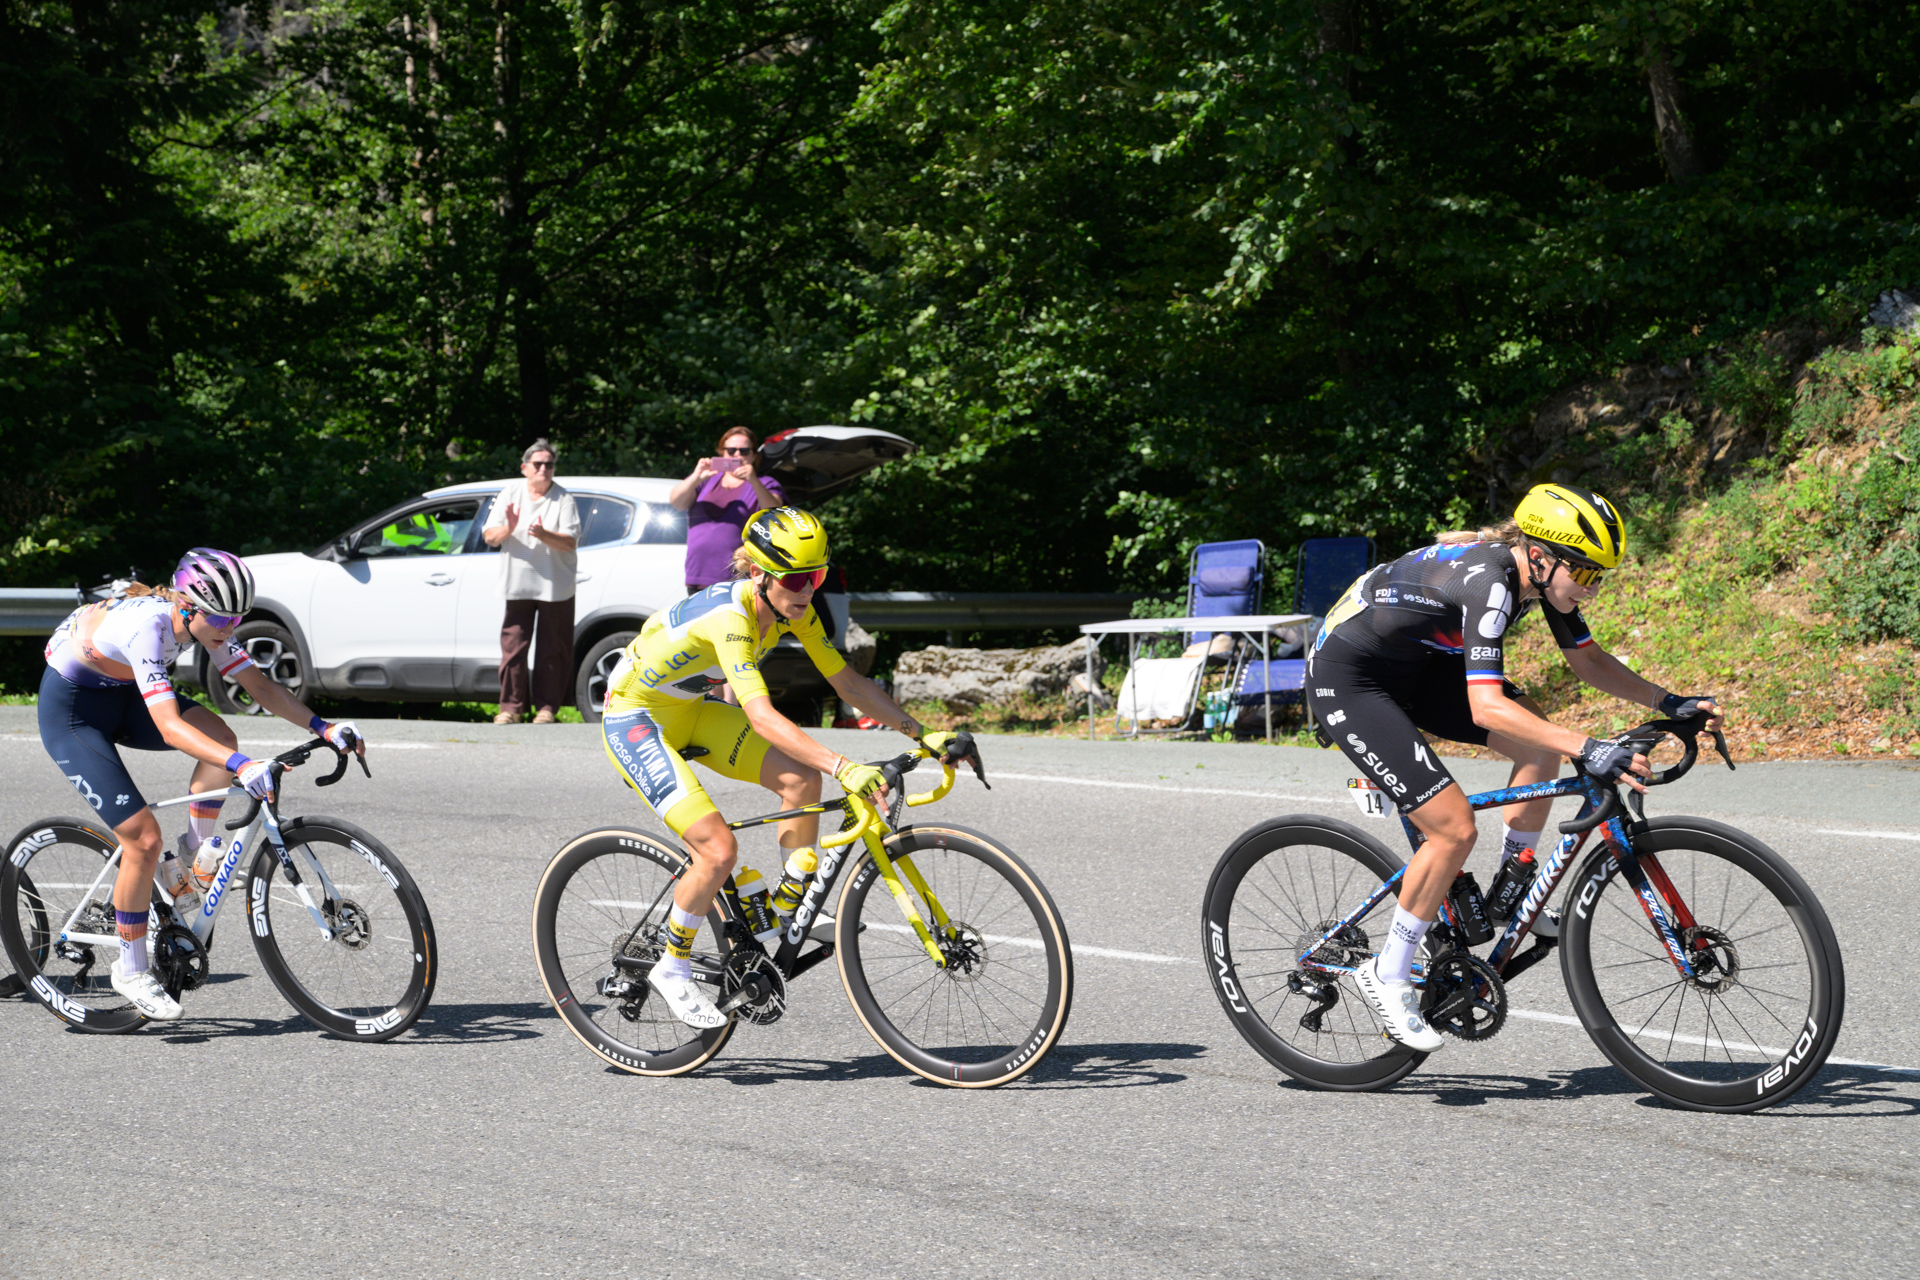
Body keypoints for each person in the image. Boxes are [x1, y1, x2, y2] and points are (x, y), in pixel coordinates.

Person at [1304, 483, 1722, 1052]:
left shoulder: (1545, 578)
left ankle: (1514, 885)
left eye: (1601, 576)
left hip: (1420, 666)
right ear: (1543, 557)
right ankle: (1390, 972)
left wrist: (1667, 703)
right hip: (1351, 677)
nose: (1593, 589)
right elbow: (1485, 706)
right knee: (1452, 827)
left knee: (1539, 746)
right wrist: (1589, 746)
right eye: (1589, 574)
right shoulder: (1491, 584)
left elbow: (1588, 659)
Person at [600, 506, 966, 1028]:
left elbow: (851, 686)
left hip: (688, 711)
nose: (807, 589)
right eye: (796, 578)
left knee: (801, 779)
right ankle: (672, 967)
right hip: (636, 720)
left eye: (816, 576)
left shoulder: (795, 610)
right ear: (759, 575)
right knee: (718, 848)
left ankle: (782, 909)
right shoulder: (731, 618)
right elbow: (763, 716)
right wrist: (846, 765)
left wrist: (923, 734)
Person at [37, 549, 367, 1021]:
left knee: (220, 734)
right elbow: (170, 728)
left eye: (238, 618)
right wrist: (241, 764)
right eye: (222, 618)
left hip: (121, 695)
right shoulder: (147, 627)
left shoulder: (207, 623)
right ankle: (129, 971)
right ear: (188, 606)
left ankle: (193, 855)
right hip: (72, 715)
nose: (230, 628)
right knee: (143, 839)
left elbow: (261, 687)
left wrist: (324, 727)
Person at [482, 439, 581, 724]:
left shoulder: (563, 499)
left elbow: (570, 542)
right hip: (517, 583)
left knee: (553, 648)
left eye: (549, 464)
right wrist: (510, 528)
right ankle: (510, 708)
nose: (543, 469)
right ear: (524, 467)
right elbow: (490, 536)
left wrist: (543, 534)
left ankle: (547, 708)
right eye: (537, 464)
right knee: (513, 647)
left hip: (555, 585)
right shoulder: (510, 492)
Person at [669, 427, 784, 595]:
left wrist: (753, 480)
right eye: (731, 450)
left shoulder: (764, 483)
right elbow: (676, 503)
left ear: (753, 455)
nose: (737, 455)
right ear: (721, 453)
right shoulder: (706, 480)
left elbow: (775, 514)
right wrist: (697, 476)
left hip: (738, 580)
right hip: (698, 576)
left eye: (744, 451)